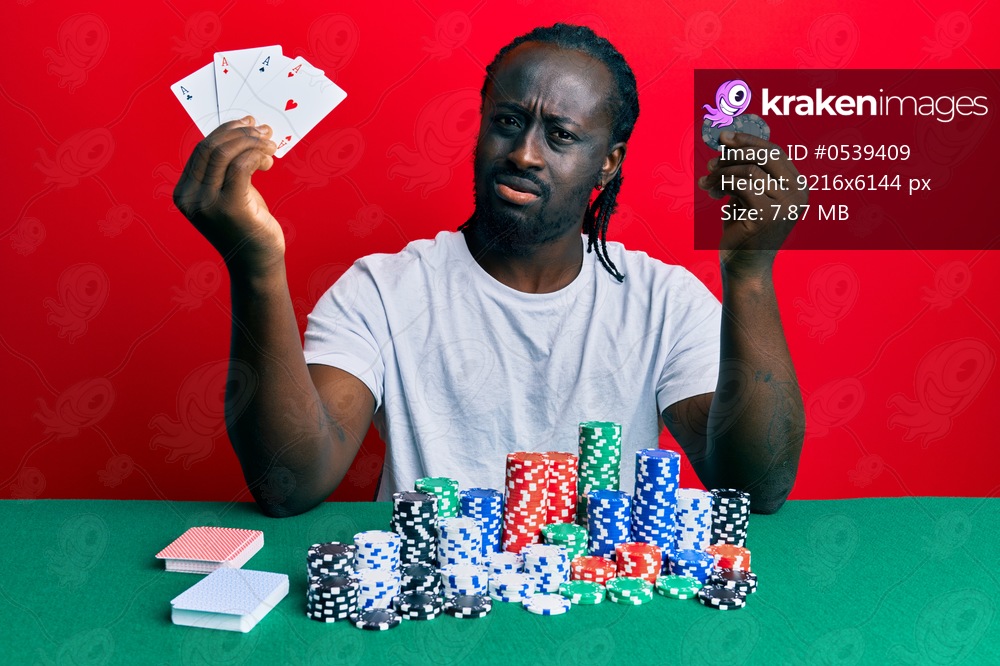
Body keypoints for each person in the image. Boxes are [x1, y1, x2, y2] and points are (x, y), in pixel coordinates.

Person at [173, 24, 806, 518]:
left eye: (560, 136)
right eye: (508, 122)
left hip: (601, 612)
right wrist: (256, 268)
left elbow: (756, 483)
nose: (525, 153)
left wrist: (750, 276)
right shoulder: (383, 290)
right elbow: (290, 482)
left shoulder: (661, 302)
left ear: (607, 164)